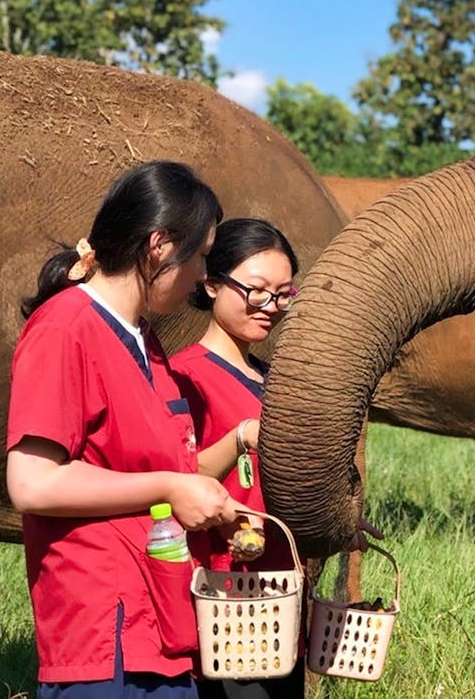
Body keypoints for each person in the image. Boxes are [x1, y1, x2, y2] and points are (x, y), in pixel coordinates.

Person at [6, 161, 245, 698]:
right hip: (104, 632)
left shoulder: (145, 339)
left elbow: (157, 467)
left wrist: (209, 501)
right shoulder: (65, 327)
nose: (204, 275)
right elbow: (33, 483)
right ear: (160, 244)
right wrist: (168, 488)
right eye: (202, 255)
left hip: (160, 618)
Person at [170, 218, 305, 699]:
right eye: (256, 291)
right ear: (210, 284)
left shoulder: (274, 378)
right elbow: (180, 478)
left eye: (283, 294)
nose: (271, 307)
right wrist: (241, 436)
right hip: (226, 594)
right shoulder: (185, 376)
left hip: (280, 591)